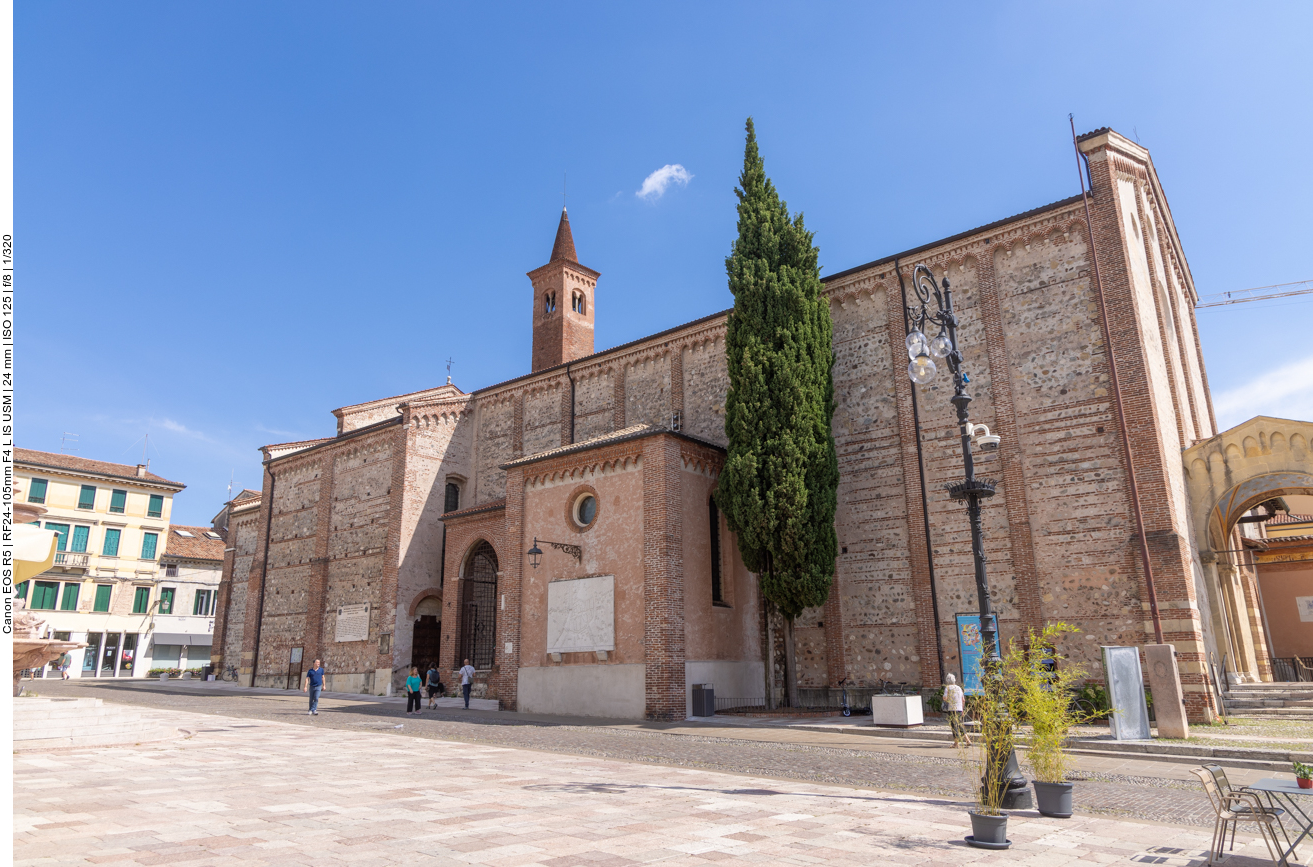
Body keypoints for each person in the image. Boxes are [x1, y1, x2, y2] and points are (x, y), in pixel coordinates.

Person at [943, 673, 969, 746]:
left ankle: (956, 743)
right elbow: (963, 700)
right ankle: (967, 740)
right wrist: (962, 709)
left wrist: (946, 699)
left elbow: (945, 698)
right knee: (959, 724)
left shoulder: (948, 688)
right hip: (959, 708)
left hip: (952, 708)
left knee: (954, 725)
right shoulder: (959, 688)